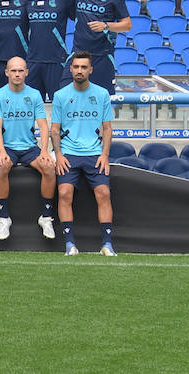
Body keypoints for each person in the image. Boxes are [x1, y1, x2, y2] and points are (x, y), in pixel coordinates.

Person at [51, 51, 117, 257]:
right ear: (71, 69)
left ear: (90, 70)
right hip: (69, 153)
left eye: (83, 67)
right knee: (64, 194)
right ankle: (70, 244)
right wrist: (59, 155)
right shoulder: (60, 95)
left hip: (95, 153)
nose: (79, 71)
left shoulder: (102, 94)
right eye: (76, 67)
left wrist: (105, 155)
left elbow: (107, 129)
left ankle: (107, 244)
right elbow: (55, 130)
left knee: (104, 194)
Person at [0, 57, 57, 242]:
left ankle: (46, 217)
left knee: (49, 168)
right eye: (13, 71)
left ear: (27, 72)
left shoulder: (34, 95)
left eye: (20, 71)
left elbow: (43, 125)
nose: (17, 74)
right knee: (1, 167)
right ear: (7, 73)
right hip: (8, 148)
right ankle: (4, 218)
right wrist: (1, 152)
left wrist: (44, 150)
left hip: (29, 148)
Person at [61, 0, 132, 93]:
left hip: (103, 56)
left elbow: (127, 25)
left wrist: (106, 26)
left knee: (104, 100)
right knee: (64, 94)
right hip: (79, 53)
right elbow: (72, 14)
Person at [24, 0, 75, 100]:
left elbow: (78, 19)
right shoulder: (28, 0)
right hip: (33, 61)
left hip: (57, 60)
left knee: (60, 107)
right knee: (31, 109)